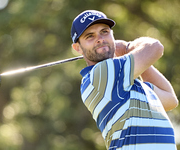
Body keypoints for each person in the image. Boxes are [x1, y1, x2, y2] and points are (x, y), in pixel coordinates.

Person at [71, 10, 179, 150]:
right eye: (90, 36)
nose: (100, 38)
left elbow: (170, 100)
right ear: (77, 48)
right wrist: (128, 47)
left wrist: (135, 59)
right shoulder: (100, 75)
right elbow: (155, 47)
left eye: (104, 32)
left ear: (112, 36)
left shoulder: (128, 83)